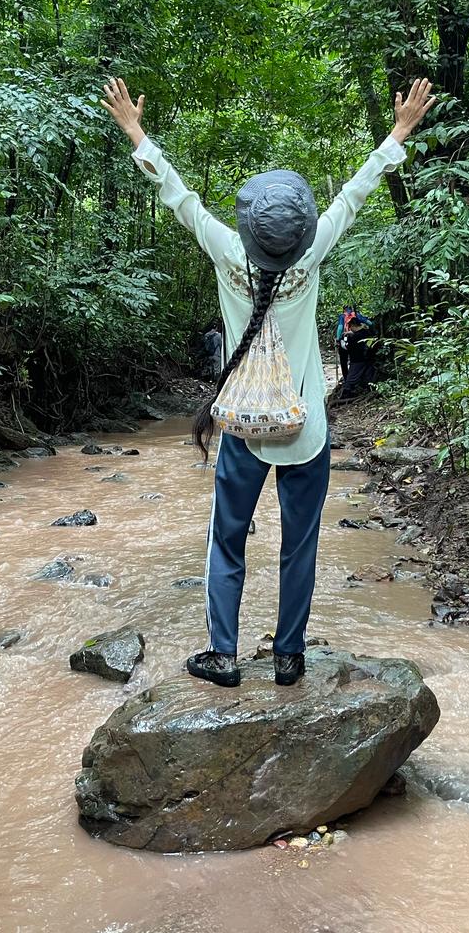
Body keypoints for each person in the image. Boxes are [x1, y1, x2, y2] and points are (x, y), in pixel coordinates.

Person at [100, 76, 435, 688]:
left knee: (226, 542)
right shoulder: (310, 259)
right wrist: (400, 130)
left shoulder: (228, 252)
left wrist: (135, 131)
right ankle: (289, 657)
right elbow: (355, 195)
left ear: (252, 233)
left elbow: (181, 199)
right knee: (299, 547)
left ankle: (223, 656)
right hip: (305, 432)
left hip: (246, 428)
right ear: (300, 236)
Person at [339, 316, 376, 400]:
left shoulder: (354, 337)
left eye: (350, 327)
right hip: (369, 359)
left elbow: (349, 347)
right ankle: (369, 390)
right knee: (367, 377)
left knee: (351, 378)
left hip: (357, 360)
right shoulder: (367, 333)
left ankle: (346, 395)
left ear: (353, 326)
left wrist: (343, 343)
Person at [335, 305, 372, 383]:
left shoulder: (342, 316)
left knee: (343, 360)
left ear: (343, 310)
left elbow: (340, 327)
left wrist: (338, 339)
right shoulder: (357, 315)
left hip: (345, 340)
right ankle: (359, 376)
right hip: (358, 339)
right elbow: (369, 323)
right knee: (356, 358)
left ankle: (346, 377)